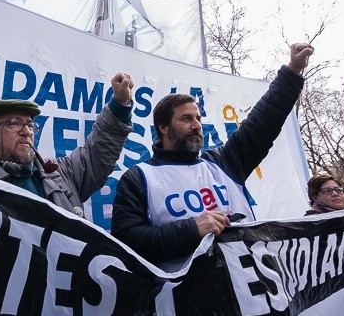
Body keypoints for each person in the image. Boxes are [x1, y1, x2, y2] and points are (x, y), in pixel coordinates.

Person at [111, 42, 314, 271]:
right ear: (164, 128)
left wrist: (292, 73)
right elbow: (127, 241)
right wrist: (192, 229)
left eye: (198, 118)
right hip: (188, 300)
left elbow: (263, 123)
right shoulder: (139, 178)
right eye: (186, 119)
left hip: (255, 290)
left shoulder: (224, 163)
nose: (197, 125)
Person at [0, 72, 135, 218]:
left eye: (30, 125)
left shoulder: (61, 174)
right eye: (14, 123)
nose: (26, 131)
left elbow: (99, 153)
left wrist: (120, 105)